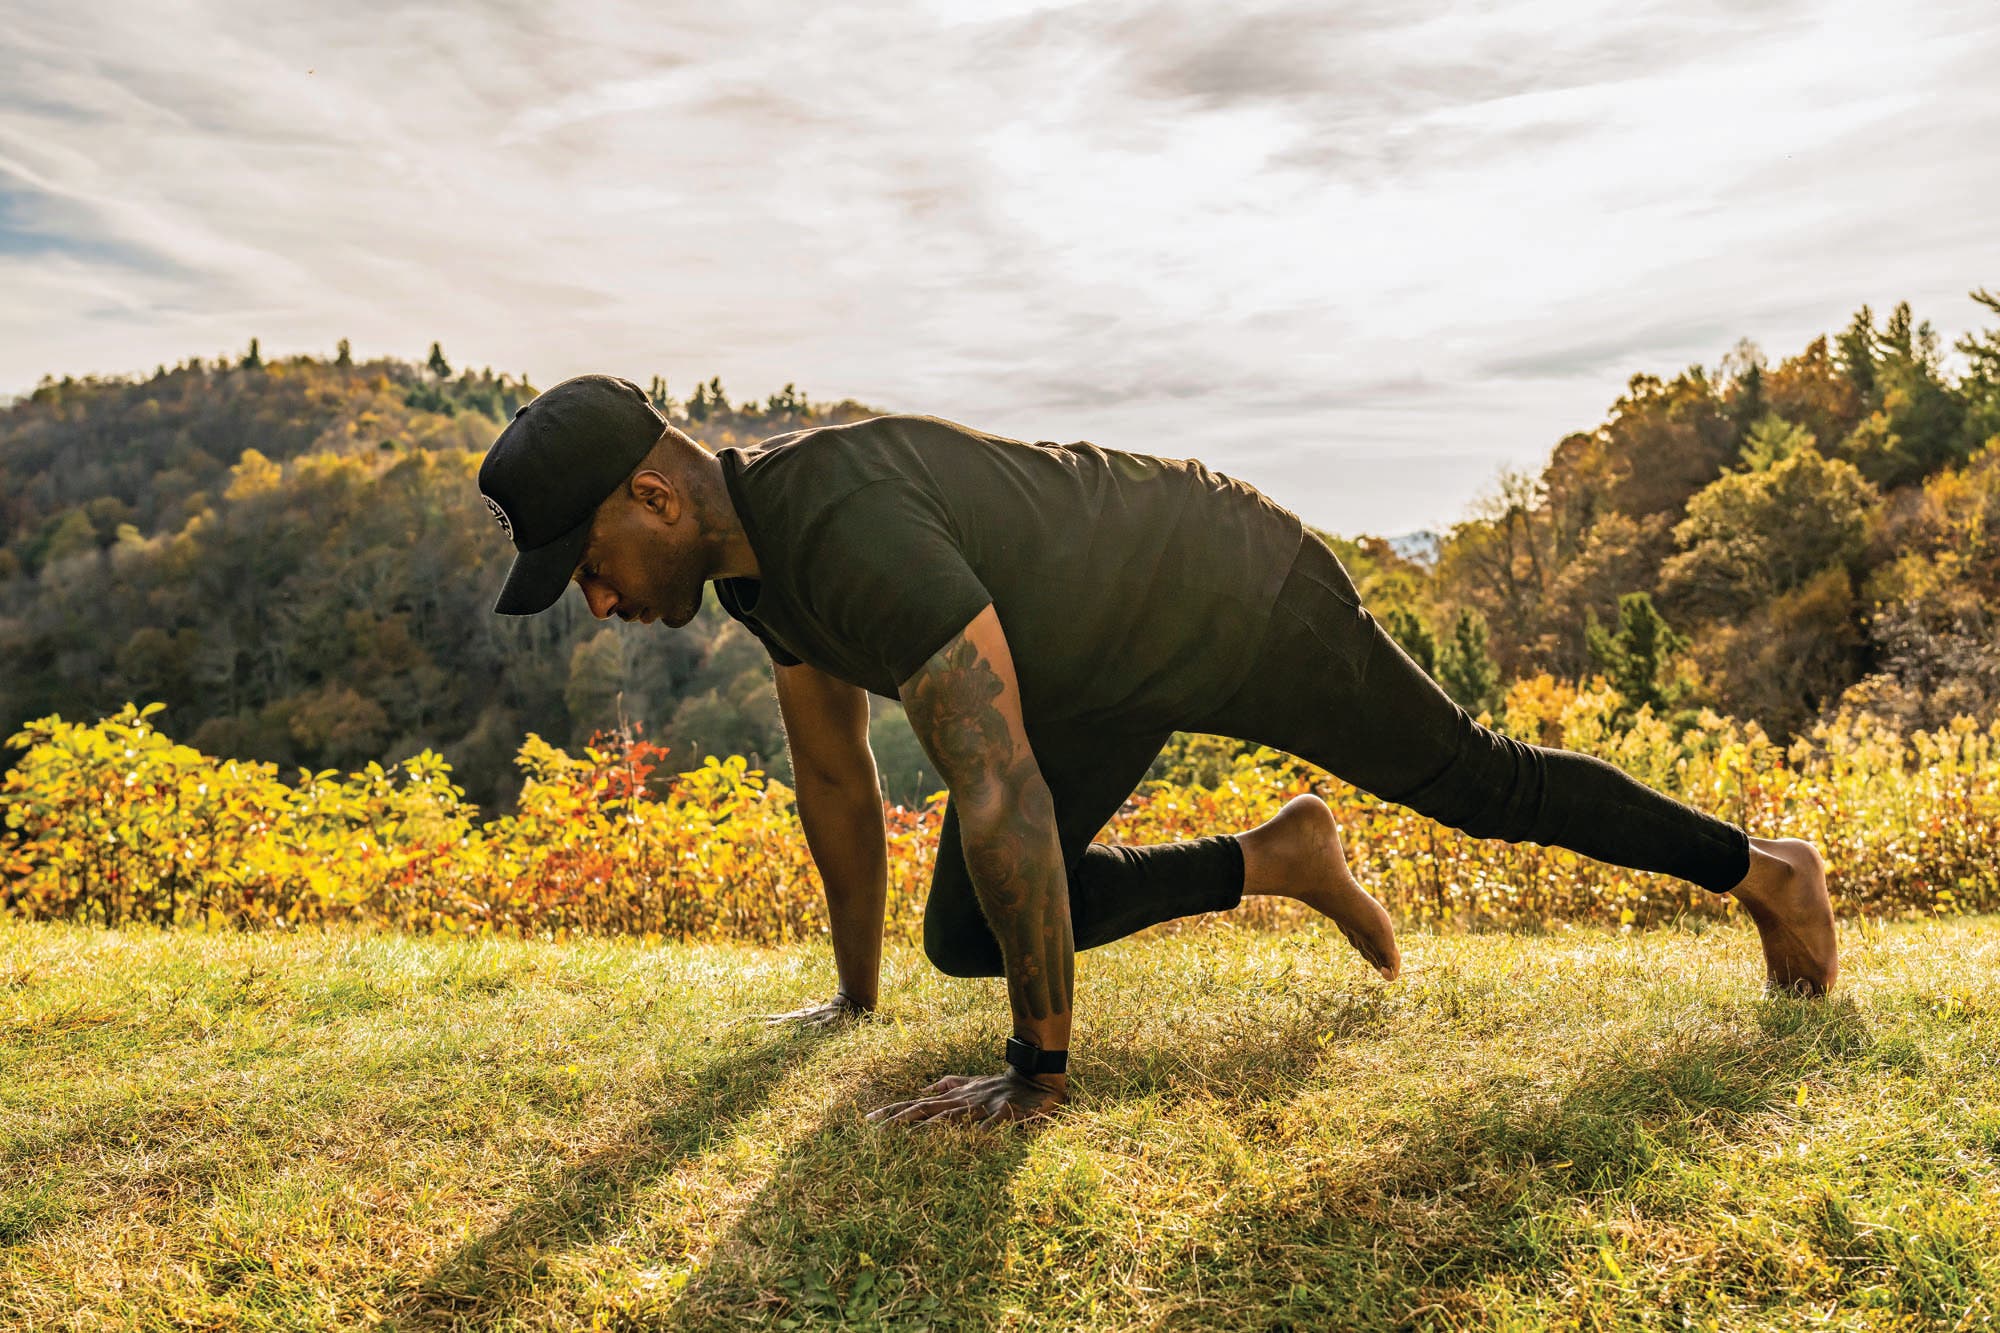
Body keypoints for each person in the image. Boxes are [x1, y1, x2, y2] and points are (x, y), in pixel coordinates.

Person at [478, 373, 1839, 1128]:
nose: (599, 600)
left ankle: (1766, 871)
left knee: (1473, 783)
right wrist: (853, 999)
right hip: (1095, 665)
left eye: (590, 563)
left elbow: (997, 772)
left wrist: (1039, 1072)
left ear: (654, 495)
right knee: (967, 929)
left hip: (1231, 592)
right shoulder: (755, 577)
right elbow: (835, 776)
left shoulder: (845, 526)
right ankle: (1278, 856)